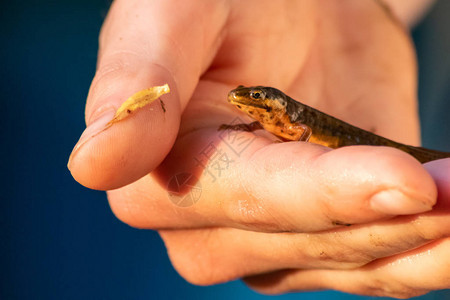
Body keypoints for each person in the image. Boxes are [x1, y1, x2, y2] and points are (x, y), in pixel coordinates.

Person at [68, 0, 449, 298]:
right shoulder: (264, 117)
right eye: (250, 98)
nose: (248, 101)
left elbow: (299, 131)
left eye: (258, 98)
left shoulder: (290, 118)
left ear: (276, 102)